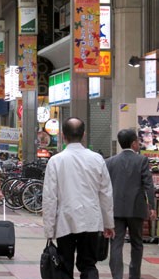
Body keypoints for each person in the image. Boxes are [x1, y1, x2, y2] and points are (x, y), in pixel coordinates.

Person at [42, 117, 115, 279]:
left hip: (65, 220)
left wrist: (49, 228)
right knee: (89, 264)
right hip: (91, 220)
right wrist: (108, 223)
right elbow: (106, 194)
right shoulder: (97, 159)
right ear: (84, 135)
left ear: (63, 135)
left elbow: (49, 197)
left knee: (64, 265)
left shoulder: (55, 161)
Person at [105, 129, 157, 279]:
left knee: (116, 243)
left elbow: (105, 187)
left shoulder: (110, 161)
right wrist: (152, 207)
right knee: (137, 243)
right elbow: (148, 185)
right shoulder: (141, 160)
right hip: (136, 209)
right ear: (134, 143)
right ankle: (134, 275)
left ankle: (117, 276)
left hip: (116, 209)